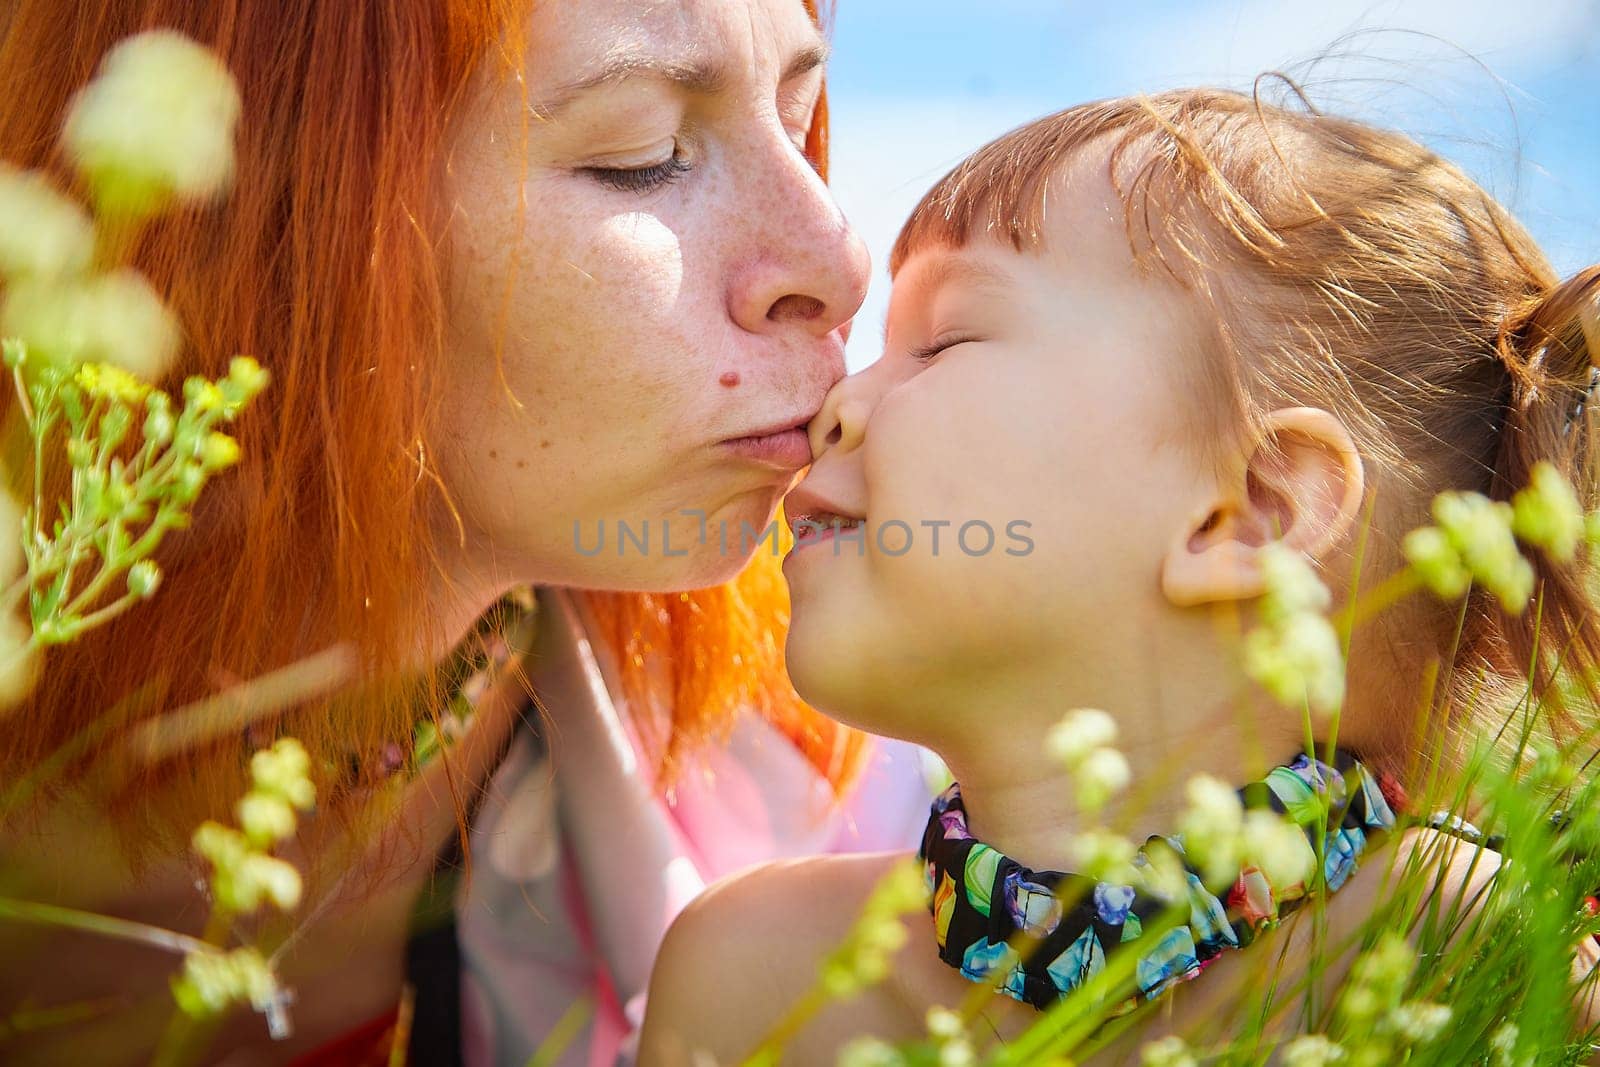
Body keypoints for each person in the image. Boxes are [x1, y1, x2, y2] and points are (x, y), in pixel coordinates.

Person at [0, 2, 931, 1064]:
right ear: (250, 212)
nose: (840, 254)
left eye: (799, 113)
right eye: (646, 156)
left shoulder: (817, 752)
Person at [640, 89, 1600, 1063]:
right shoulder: (745, 974)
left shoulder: (1489, 959)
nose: (833, 401)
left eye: (944, 339)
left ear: (1248, 508)